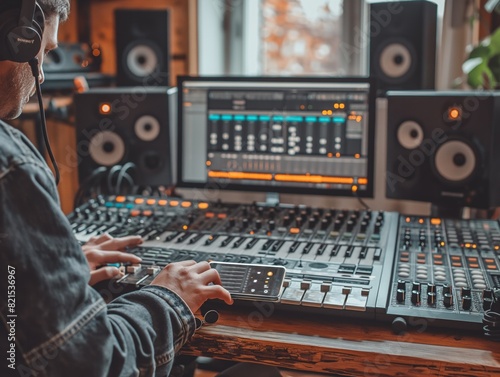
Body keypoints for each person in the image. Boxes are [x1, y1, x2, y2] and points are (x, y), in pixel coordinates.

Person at [0, 1, 234, 376]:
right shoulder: (11, 168)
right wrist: (168, 297)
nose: (41, 76)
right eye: (43, 52)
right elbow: (100, 364)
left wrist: (49, 268)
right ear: (16, 40)